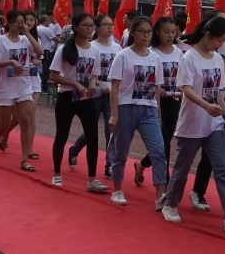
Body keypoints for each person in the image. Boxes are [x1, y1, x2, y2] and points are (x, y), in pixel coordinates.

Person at [163, 16, 225, 231]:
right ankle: (170, 204)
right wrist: (205, 106)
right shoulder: (189, 58)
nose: (221, 45)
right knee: (182, 169)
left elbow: (219, 93)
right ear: (208, 35)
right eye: (219, 40)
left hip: (214, 125)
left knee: (222, 169)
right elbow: (186, 88)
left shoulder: (218, 59)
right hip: (192, 124)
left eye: (224, 41)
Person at [107, 16, 167, 206]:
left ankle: (160, 196)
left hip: (149, 109)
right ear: (132, 32)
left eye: (149, 31)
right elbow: (114, 87)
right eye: (142, 31)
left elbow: (156, 87)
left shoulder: (155, 57)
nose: (146, 35)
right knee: (121, 152)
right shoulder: (123, 56)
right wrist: (115, 114)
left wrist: (158, 114)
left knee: (158, 151)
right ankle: (117, 189)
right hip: (126, 108)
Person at [47, 12, 109, 192]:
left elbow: (94, 74)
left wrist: (90, 84)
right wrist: (74, 83)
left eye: (92, 26)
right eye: (86, 25)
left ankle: (91, 179)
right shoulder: (65, 49)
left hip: (87, 99)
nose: (90, 29)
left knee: (92, 137)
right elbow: (53, 76)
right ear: (75, 27)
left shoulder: (95, 49)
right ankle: (57, 174)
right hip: (67, 97)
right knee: (62, 135)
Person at [0, 10, 42, 168]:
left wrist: (28, 33)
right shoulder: (0, 40)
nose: (19, 25)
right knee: (3, 124)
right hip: (5, 86)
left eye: (22, 22)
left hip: (24, 85)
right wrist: (11, 62)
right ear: (9, 23)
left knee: (25, 120)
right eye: (16, 22)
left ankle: (24, 159)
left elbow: (40, 52)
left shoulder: (25, 40)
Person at [135, 17, 184, 189]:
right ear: (157, 32)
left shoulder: (179, 53)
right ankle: (166, 182)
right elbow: (145, 77)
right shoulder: (151, 52)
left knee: (166, 140)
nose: (170, 35)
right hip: (155, 102)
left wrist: (181, 88)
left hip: (174, 100)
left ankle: (141, 165)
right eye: (166, 32)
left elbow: (183, 75)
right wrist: (157, 88)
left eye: (173, 32)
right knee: (162, 141)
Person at [69, 14, 118, 176]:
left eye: (111, 25)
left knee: (111, 130)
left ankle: (109, 165)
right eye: (106, 25)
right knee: (91, 129)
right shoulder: (91, 47)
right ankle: (74, 150)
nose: (110, 28)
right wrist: (98, 84)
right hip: (94, 93)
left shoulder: (117, 48)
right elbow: (87, 73)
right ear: (96, 28)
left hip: (112, 95)